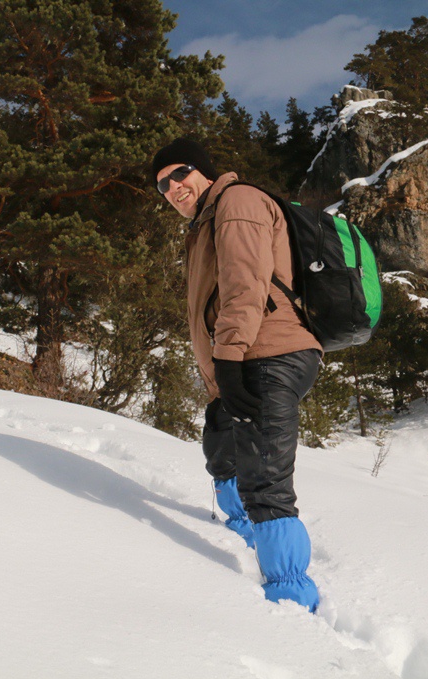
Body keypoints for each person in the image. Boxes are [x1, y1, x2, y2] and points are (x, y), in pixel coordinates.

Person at [152, 138, 323, 612]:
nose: (173, 187)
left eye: (180, 173)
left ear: (203, 170)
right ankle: (241, 528)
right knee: (221, 449)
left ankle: (290, 597)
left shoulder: (238, 202)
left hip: (267, 353)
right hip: (242, 357)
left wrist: (228, 359)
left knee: (264, 478)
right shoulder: (206, 221)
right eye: (162, 184)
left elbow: (245, 284)